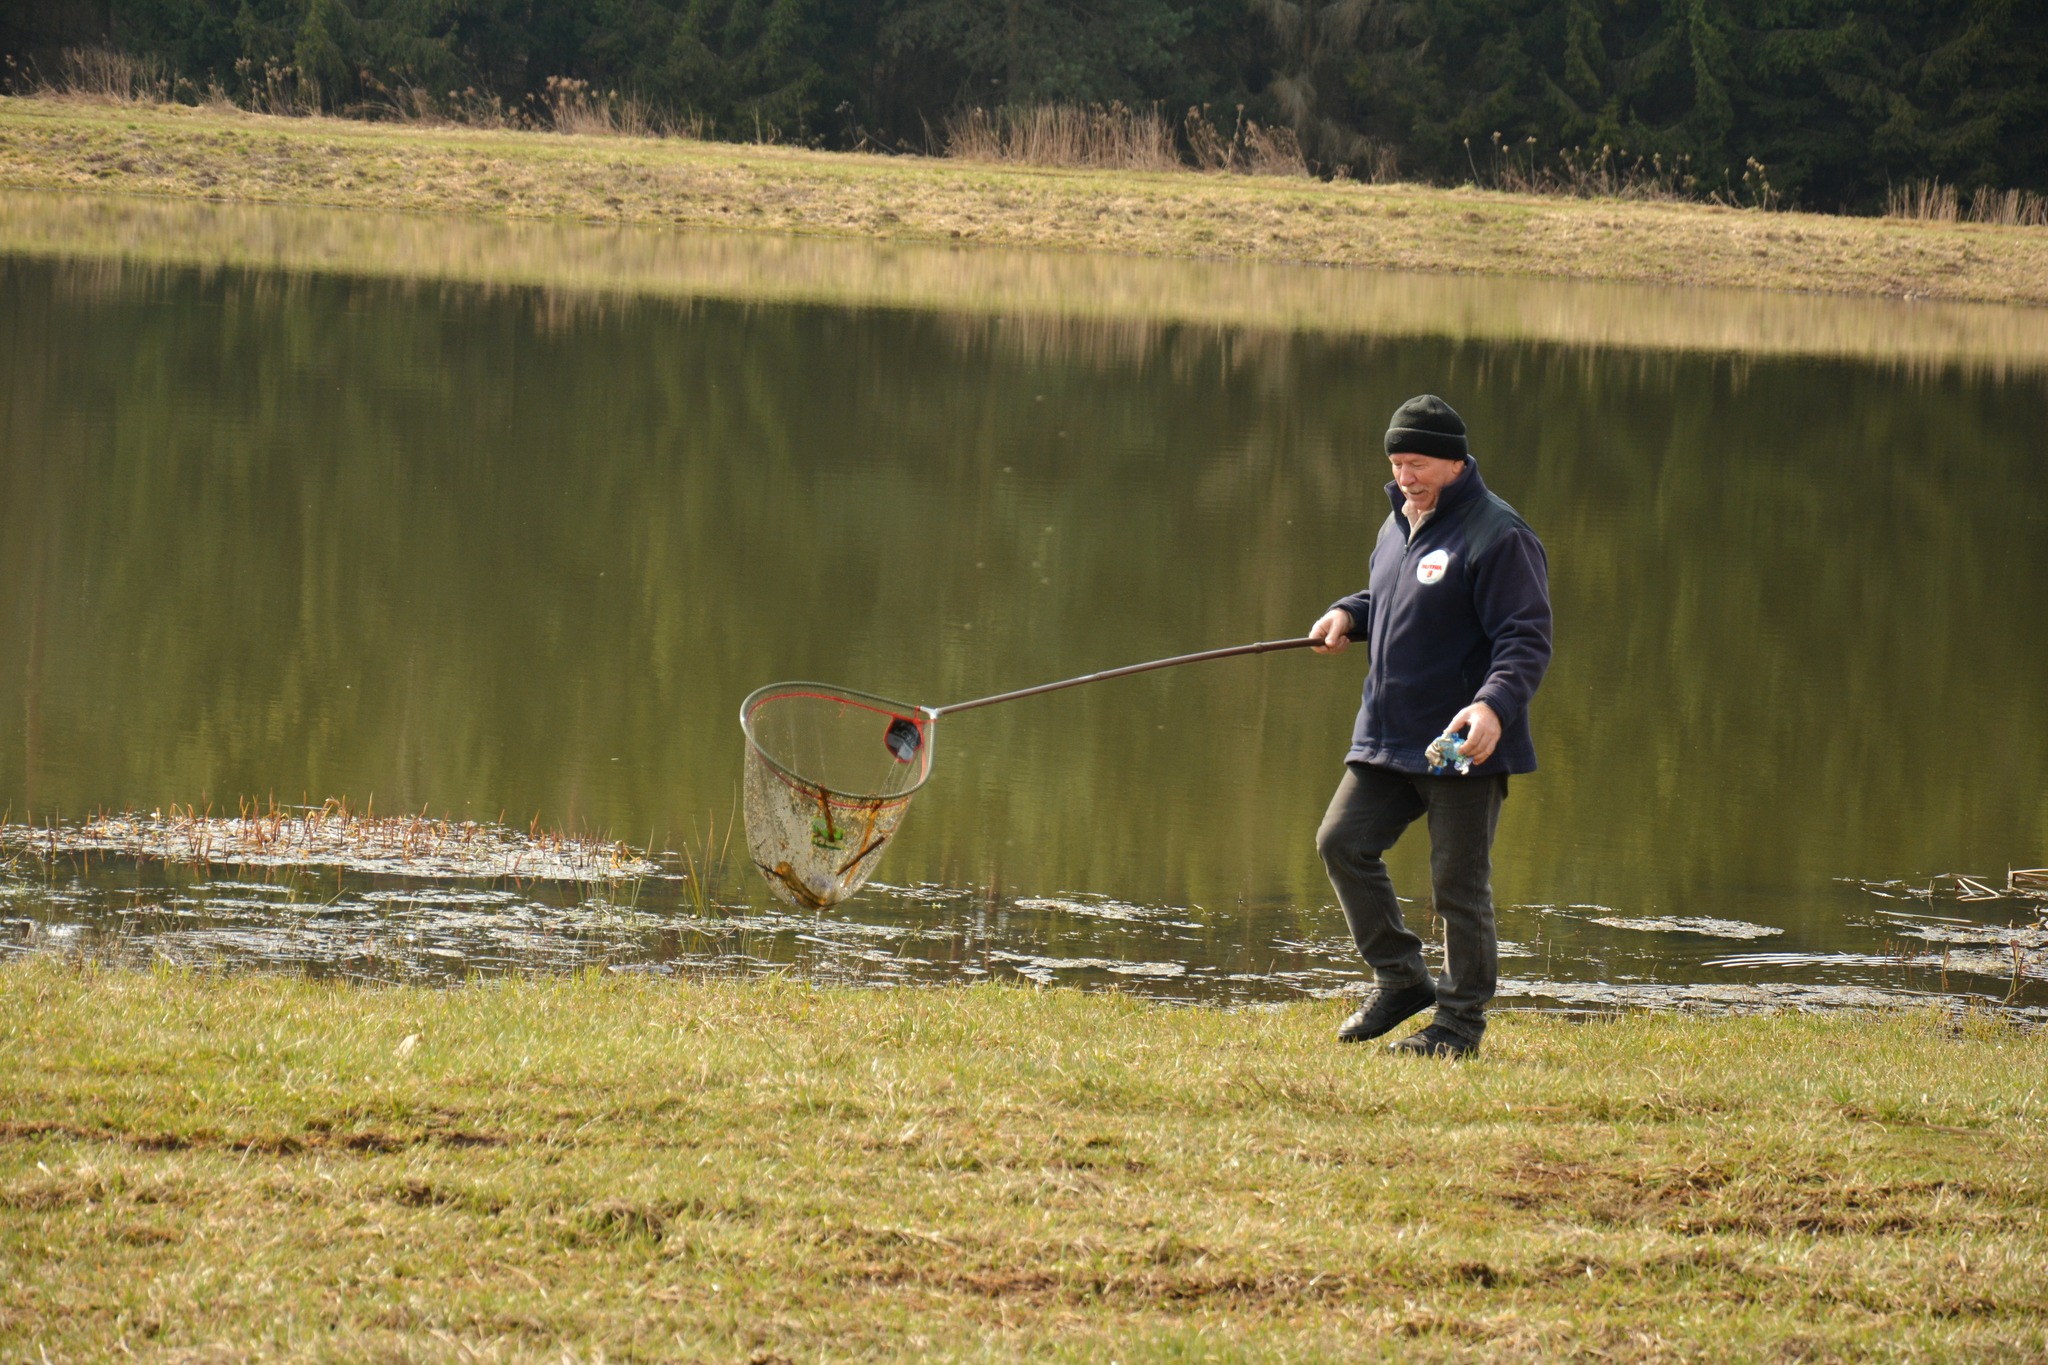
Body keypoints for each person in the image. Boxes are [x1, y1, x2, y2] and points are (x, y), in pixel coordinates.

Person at [1308, 394, 1552, 1058]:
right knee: (1342, 843)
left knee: (1458, 887)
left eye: (1416, 462)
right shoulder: (1398, 524)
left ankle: (1458, 1024)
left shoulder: (1499, 535)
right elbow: (1391, 597)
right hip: (1387, 738)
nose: (1405, 475)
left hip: (1460, 747)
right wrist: (1347, 615)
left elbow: (1525, 640)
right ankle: (1401, 977)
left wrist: (1492, 706)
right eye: (1396, 462)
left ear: (1453, 461)